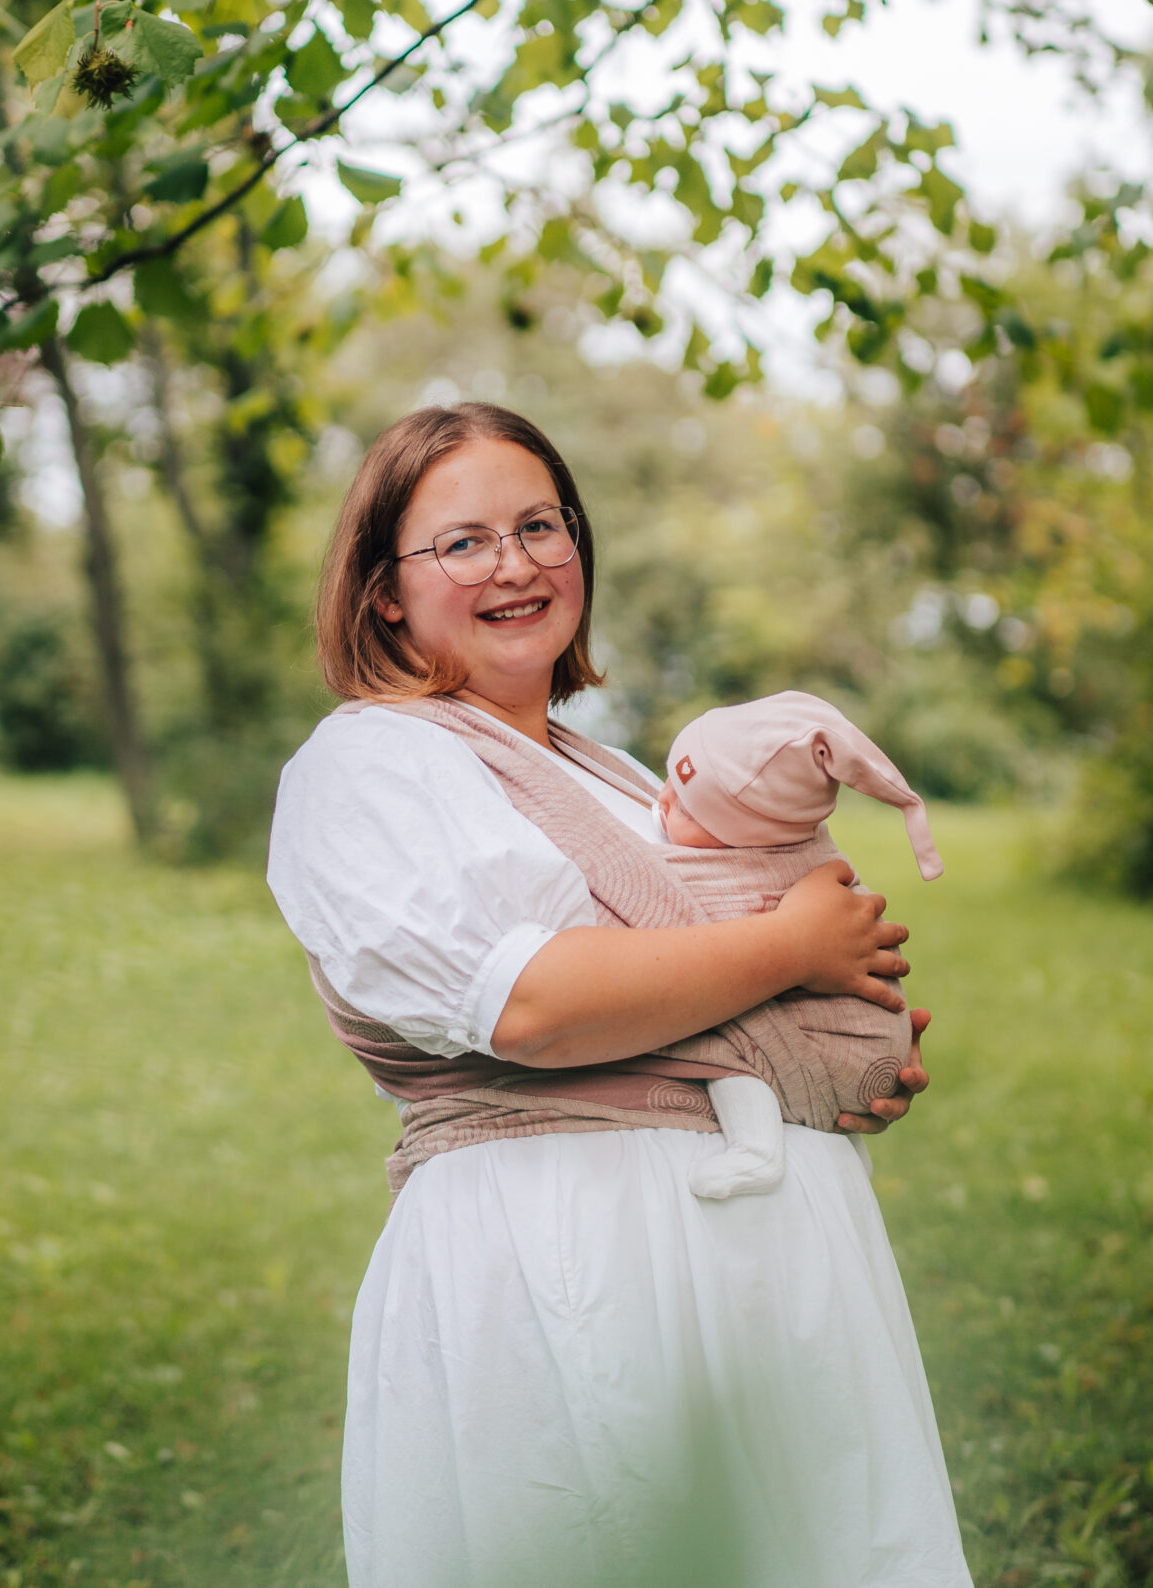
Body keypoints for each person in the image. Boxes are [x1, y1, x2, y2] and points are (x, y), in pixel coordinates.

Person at [266, 403, 971, 1588]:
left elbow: (694, 992)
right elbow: (530, 1003)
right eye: (464, 541)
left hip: (772, 1283)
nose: (515, 565)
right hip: (570, 1263)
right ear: (382, 591)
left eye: (540, 526)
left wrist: (825, 1063)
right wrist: (792, 950)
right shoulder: (372, 763)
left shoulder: (626, 780)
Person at [653, 689, 946, 1202]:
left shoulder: (740, 873)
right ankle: (838, 1138)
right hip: (878, 1047)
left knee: (719, 1039)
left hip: (842, 1049)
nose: (661, 802)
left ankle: (757, 1148)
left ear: (741, 836)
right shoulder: (803, 847)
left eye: (688, 810)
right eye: (671, 785)